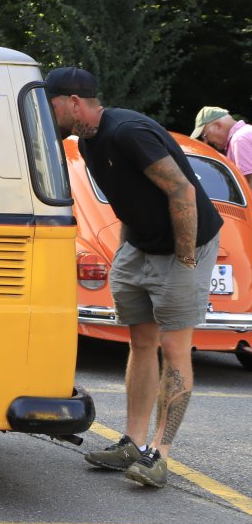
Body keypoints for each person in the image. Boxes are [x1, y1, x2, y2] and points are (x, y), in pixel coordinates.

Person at [48, 66, 222, 489]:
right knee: (141, 342)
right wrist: (127, 249)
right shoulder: (87, 142)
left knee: (174, 349)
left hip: (184, 248)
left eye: (50, 107)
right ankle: (133, 442)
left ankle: (158, 455)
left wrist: (185, 260)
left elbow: (181, 191)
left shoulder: (128, 132)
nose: (47, 117)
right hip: (140, 247)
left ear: (73, 103)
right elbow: (129, 198)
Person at [190, 106, 252, 182]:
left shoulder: (238, 140)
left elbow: (249, 183)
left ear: (217, 126)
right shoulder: (245, 132)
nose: (205, 141)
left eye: (205, 135)